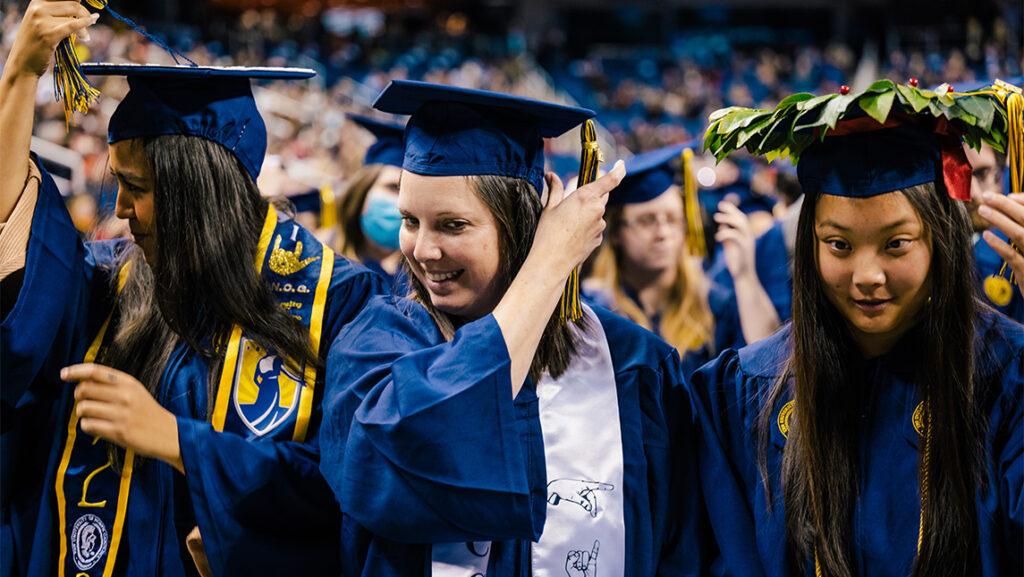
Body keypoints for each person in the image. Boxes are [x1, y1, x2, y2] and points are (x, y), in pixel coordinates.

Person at [0, 3, 384, 576]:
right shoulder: (105, 283)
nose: (121, 209)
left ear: (197, 194)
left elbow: (353, 485)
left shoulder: (339, 302)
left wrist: (179, 441)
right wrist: (19, 75)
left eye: (137, 187)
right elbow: (14, 263)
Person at [319, 79, 704, 576]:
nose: (422, 250)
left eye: (452, 225)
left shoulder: (631, 364)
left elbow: (679, 547)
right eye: (411, 220)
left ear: (523, 224)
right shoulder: (376, 346)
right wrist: (548, 264)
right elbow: (399, 462)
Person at [692, 81, 1023, 576]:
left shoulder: (1006, 375)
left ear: (941, 242)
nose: (867, 276)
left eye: (896, 244)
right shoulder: (746, 392)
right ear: (811, 247)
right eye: (839, 246)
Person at [586, 142, 779, 376]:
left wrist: (745, 276)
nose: (663, 233)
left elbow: (769, 364)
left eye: (673, 219)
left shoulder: (713, 304)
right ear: (615, 232)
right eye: (646, 221)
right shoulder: (593, 310)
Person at [335, 114, 407, 292]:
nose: (401, 203)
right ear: (362, 193)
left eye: (409, 192)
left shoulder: (423, 283)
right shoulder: (326, 266)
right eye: (393, 187)